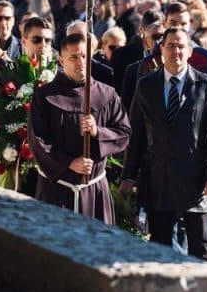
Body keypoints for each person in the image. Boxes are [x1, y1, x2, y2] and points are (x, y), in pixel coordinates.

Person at [121, 28, 207, 262]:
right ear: (161, 49)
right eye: (170, 46)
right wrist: (128, 176)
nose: (175, 51)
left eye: (181, 46)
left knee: (202, 248)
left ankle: (205, 286)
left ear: (189, 51)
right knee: (160, 247)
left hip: (195, 180)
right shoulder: (146, 85)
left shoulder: (206, 85)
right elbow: (137, 135)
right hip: (159, 178)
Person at [27, 32, 131, 224]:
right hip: (56, 190)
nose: (81, 62)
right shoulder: (44, 96)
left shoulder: (107, 94)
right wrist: (69, 162)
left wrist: (98, 132)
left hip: (94, 189)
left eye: (84, 56)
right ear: (61, 61)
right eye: (73, 57)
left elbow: (123, 133)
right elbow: (37, 141)